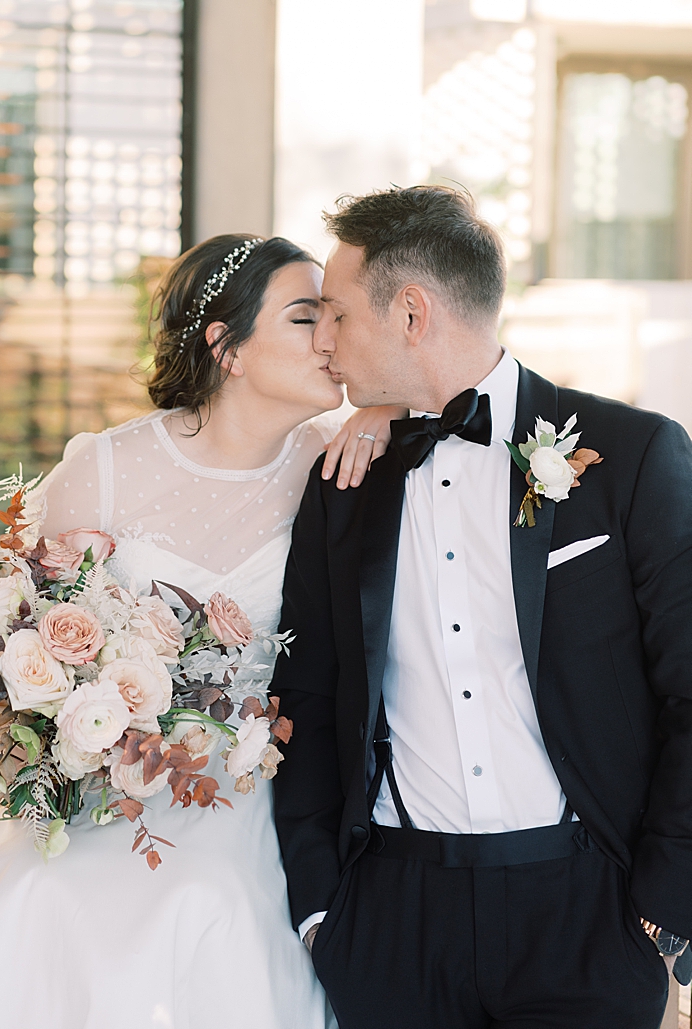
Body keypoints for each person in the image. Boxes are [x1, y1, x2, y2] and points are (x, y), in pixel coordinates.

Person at [0, 233, 398, 1029]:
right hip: (102, 777)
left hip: (248, 783)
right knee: (40, 894)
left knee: (211, 903)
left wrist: (386, 405)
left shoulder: (334, 464)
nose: (332, 339)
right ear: (225, 346)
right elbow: (14, 634)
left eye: (333, 316)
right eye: (306, 319)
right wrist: (86, 737)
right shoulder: (108, 466)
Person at [272, 186, 692, 1029]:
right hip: (390, 921)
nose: (324, 341)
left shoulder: (635, 454)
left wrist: (665, 909)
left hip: (590, 915)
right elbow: (306, 696)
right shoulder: (345, 481)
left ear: (413, 312)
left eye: (338, 316)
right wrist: (323, 911)